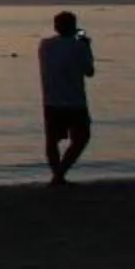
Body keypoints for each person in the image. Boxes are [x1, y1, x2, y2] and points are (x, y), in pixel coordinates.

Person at [38, 10, 95, 185]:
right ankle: (60, 174)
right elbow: (90, 71)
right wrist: (86, 45)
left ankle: (58, 175)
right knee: (81, 138)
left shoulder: (45, 45)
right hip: (75, 101)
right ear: (73, 26)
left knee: (52, 141)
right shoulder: (79, 45)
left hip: (51, 100)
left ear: (56, 27)